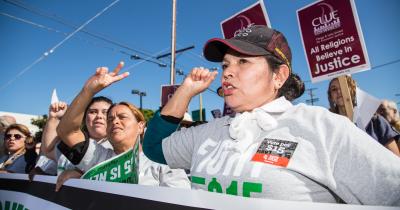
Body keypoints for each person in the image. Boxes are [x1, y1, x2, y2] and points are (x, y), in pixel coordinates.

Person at [142, 25, 400, 205]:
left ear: (279, 76)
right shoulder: (209, 133)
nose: (228, 73)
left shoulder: (323, 127)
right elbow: (154, 148)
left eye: (243, 62)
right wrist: (185, 90)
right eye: (225, 65)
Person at [56, 62, 190, 190]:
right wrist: (88, 91)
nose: (115, 121)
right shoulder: (99, 157)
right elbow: (66, 131)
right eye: (110, 119)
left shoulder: (164, 162)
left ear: (140, 126)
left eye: (122, 117)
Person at [328, 76, 400, 156]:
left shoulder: (376, 121)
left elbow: (395, 159)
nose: (339, 91)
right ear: (331, 97)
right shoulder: (329, 126)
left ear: (353, 90)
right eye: (334, 89)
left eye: (343, 86)